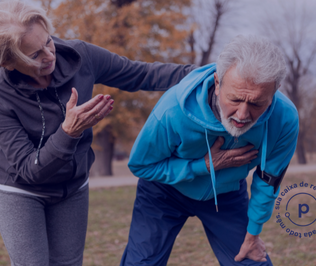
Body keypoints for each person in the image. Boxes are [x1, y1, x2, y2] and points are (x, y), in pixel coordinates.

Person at [0, 1, 195, 265]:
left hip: (72, 184)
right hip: (20, 188)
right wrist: (68, 132)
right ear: (7, 62)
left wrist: (210, 74)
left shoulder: (79, 56)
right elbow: (28, 168)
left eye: (48, 42)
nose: (49, 55)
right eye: (34, 55)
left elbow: (142, 74)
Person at [120, 35, 299, 266]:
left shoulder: (285, 118)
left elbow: (268, 179)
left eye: (256, 103)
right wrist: (204, 166)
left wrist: (253, 233)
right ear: (217, 83)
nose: (242, 115)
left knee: (251, 261)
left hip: (226, 194)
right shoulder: (172, 109)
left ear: (275, 91)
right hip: (163, 192)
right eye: (234, 99)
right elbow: (140, 165)